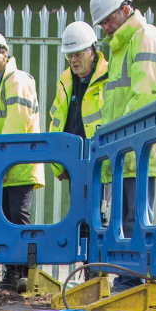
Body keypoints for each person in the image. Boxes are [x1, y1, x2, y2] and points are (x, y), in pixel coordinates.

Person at [90, 0, 156, 291]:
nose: (105, 27)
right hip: (122, 152)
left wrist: (119, 139)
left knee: (135, 218)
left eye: (108, 19)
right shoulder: (120, 47)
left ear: (126, 10)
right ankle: (126, 278)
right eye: (101, 23)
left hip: (137, 149)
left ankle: (133, 282)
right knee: (121, 221)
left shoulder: (146, 38)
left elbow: (145, 98)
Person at [0, 31, 44, 293]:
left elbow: (16, 124)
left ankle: (23, 272)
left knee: (19, 219)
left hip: (17, 166)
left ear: (5, 54)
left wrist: (1, 163)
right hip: (5, 167)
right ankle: (13, 273)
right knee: (7, 220)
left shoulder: (16, 80)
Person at [48, 21, 108, 281]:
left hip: (101, 161)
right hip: (76, 163)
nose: (73, 59)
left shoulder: (108, 75)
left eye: (79, 53)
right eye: (70, 54)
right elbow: (58, 120)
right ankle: (89, 274)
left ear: (92, 50)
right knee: (82, 220)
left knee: (101, 217)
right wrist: (59, 163)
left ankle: (99, 275)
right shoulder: (66, 79)